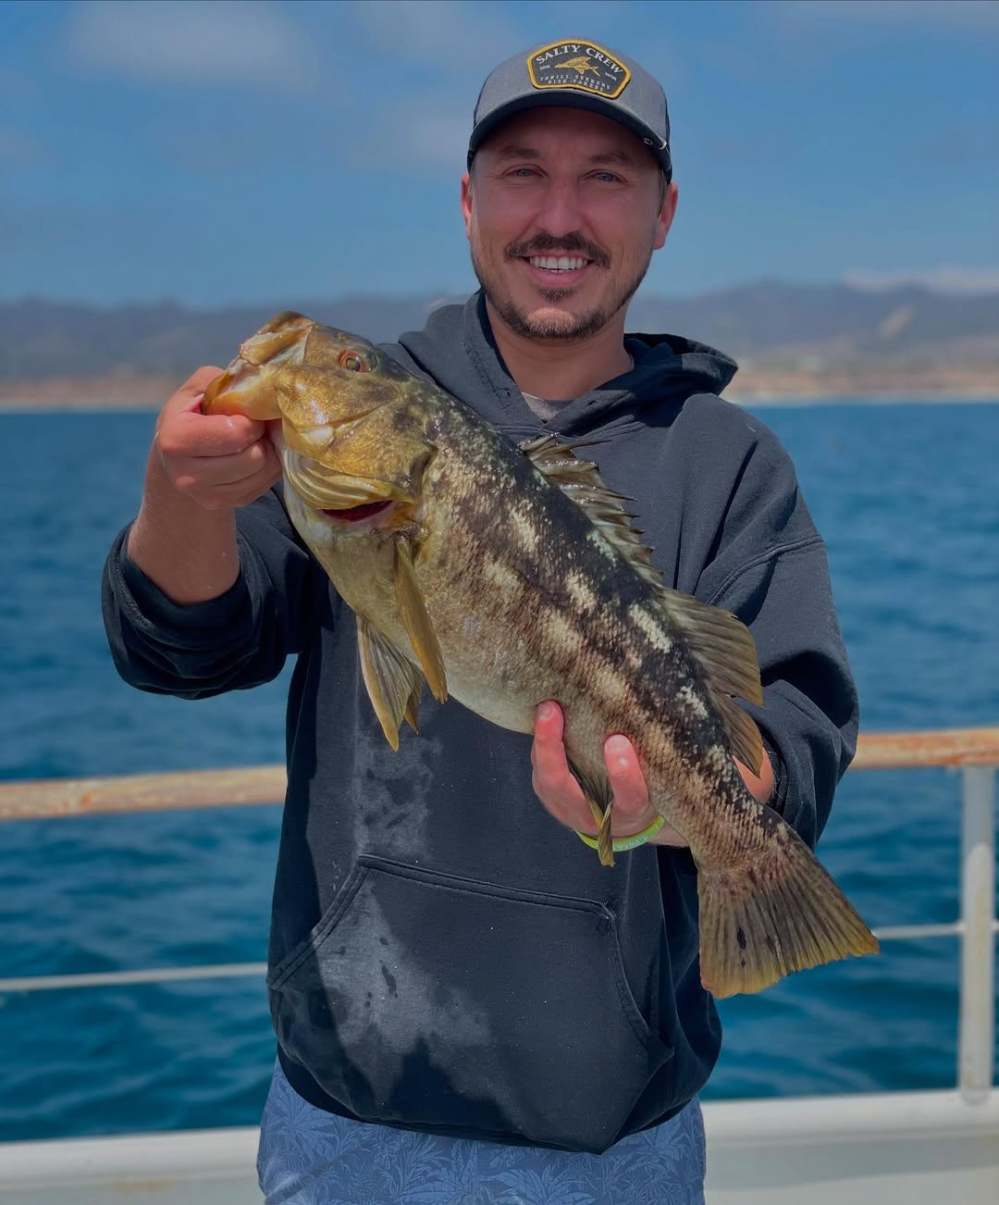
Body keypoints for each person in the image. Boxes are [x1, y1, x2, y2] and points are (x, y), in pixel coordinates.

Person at [102, 39, 857, 1205]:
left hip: (618, 1143)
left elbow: (801, 724)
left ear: (664, 213)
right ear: (467, 201)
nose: (560, 214)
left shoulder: (731, 462)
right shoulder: (360, 448)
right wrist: (177, 496)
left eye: (605, 176)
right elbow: (189, 646)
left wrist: (711, 801)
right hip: (344, 1114)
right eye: (521, 172)